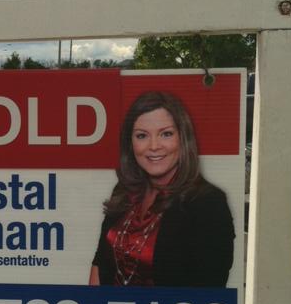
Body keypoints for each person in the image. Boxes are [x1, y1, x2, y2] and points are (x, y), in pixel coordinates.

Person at [89, 90, 234, 287]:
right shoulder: (124, 190)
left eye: (166, 134)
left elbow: (208, 292)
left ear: (183, 138)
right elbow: (99, 263)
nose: (154, 146)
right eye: (142, 136)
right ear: (130, 143)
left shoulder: (208, 202)